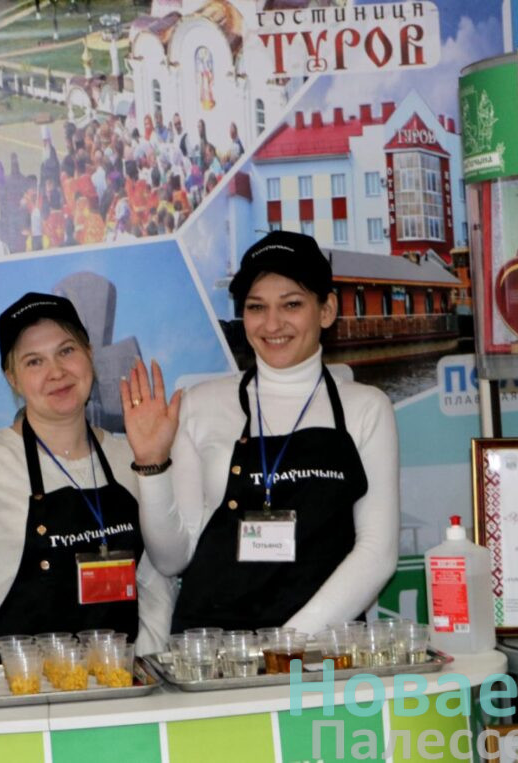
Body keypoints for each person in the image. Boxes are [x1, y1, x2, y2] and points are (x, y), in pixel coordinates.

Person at [121, 231, 399, 634]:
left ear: (326, 310)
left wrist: (289, 645)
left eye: (292, 304)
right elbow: (172, 559)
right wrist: (152, 465)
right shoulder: (200, 404)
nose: (272, 324)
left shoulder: (366, 408)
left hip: (321, 651)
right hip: (214, 648)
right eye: (256, 307)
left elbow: (377, 554)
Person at [0, 292, 172, 652]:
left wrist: (143, 665)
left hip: (114, 679)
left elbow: (156, 584)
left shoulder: (133, 458)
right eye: (34, 361)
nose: (56, 372)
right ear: (12, 378)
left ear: (89, 354)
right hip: (7, 683)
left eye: (66, 351)